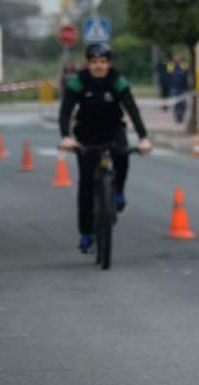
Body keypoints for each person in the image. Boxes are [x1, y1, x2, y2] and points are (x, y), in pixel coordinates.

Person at [59, 43, 151, 254]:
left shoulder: (117, 80)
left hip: (112, 129)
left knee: (123, 154)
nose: (98, 66)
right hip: (86, 133)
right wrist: (65, 137)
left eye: (102, 62)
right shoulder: (78, 81)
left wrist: (144, 137)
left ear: (109, 63)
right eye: (94, 62)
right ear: (88, 63)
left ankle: (118, 191)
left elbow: (132, 108)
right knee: (86, 185)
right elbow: (65, 111)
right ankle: (85, 233)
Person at [168, 55, 189, 125]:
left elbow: (186, 74)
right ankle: (177, 117)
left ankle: (181, 116)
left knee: (183, 104)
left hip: (183, 87)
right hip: (174, 87)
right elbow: (169, 74)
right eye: (176, 58)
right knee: (176, 104)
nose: (177, 59)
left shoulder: (184, 65)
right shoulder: (170, 65)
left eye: (178, 58)